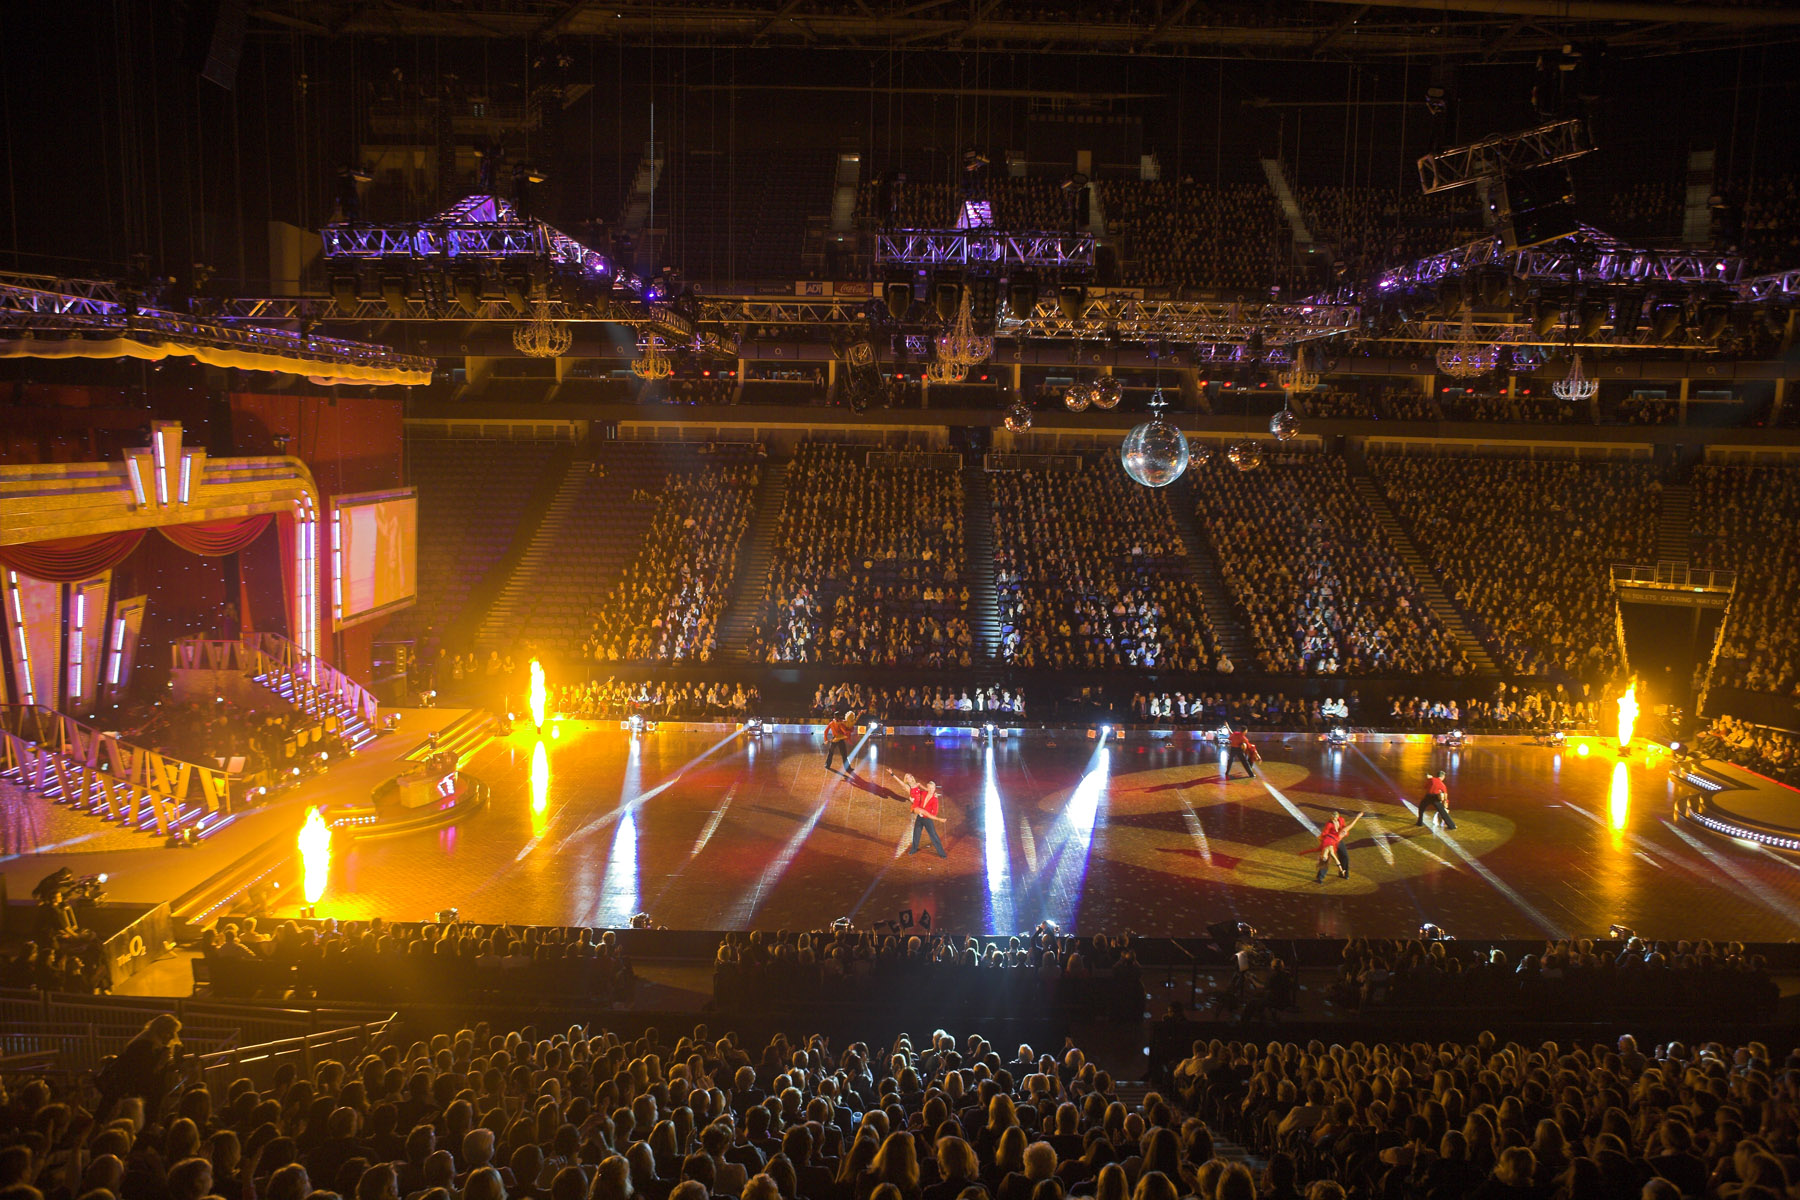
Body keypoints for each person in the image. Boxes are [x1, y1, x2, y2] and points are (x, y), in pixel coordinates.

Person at [889, 770, 948, 858]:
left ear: (934, 789)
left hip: (927, 819)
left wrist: (924, 814)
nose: (930, 790)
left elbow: (934, 813)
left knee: (933, 835)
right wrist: (911, 798)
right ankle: (914, 849)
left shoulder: (935, 799)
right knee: (916, 833)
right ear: (927, 788)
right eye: (929, 788)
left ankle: (942, 854)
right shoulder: (923, 793)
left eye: (932, 788)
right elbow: (915, 795)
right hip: (919, 817)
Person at [1315, 811, 1361, 883]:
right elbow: (1324, 835)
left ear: (1338, 817)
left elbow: (1346, 826)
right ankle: (1320, 877)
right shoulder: (1329, 824)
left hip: (1338, 841)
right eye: (1332, 818)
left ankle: (1343, 873)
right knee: (1326, 859)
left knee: (1345, 856)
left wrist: (1357, 818)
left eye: (1335, 818)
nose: (1333, 819)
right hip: (1331, 843)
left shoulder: (1341, 820)